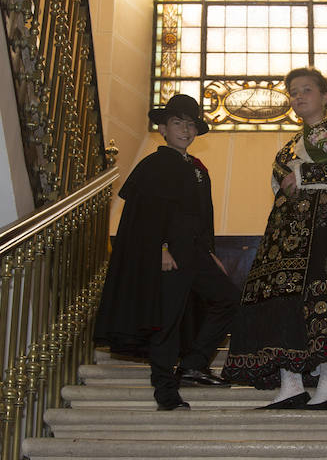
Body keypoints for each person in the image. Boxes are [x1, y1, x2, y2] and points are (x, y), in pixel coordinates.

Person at [222, 68, 327, 410]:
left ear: (326, 96)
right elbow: (281, 183)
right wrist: (295, 176)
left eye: (306, 90)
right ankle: (291, 386)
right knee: (283, 304)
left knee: (326, 301)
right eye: (293, 92)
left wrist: (301, 173)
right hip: (286, 239)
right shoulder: (288, 146)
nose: (299, 96)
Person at [94, 94, 239, 411]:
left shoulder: (197, 168)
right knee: (167, 320)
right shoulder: (155, 165)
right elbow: (145, 215)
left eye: (190, 124)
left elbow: (204, 216)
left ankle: (194, 363)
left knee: (228, 297)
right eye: (178, 123)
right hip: (167, 250)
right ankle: (165, 391)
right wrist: (159, 248)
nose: (185, 130)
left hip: (196, 252)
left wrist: (210, 252)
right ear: (163, 128)